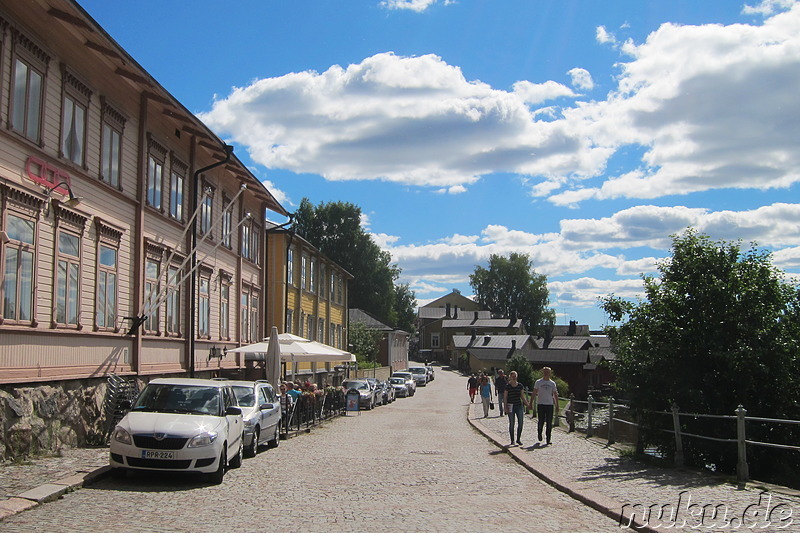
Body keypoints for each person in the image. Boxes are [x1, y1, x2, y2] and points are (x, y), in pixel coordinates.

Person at [503, 371, 530, 446]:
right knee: (512, 423)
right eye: (512, 376)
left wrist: (527, 404)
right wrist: (505, 407)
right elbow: (505, 397)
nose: (514, 378)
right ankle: (512, 440)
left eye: (515, 376)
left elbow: (522, 396)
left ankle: (518, 439)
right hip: (510, 405)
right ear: (510, 377)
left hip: (518, 406)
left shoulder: (520, 385)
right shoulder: (507, 386)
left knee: (520, 422)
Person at [534, 367, 559, 445]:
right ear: (543, 373)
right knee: (541, 421)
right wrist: (531, 402)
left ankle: (548, 439)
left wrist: (557, 405)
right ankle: (539, 433)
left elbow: (555, 394)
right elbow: (534, 392)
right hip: (541, 404)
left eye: (547, 372)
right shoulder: (538, 382)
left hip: (549, 405)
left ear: (550, 373)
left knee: (549, 422)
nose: (546, 373)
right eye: (545, 372)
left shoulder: (552, 383)